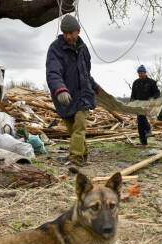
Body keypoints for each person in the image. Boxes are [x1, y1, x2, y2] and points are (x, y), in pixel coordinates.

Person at [46, 15, 99, 166]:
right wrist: (60, 89)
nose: (68, 36)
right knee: (73, 130)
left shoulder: (84, 49)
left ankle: (75, 159)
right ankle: (83, 155)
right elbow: (53, 72)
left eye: (71, 33)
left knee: (79, 128)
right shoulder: (55, 48)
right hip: (65, 97)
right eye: (65, 33)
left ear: (78, 31)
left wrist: (94, 86)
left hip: (83, 96)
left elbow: (85, 73)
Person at [130, 65, 160, 145]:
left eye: (142, 73)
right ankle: (143, 141)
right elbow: (133, 95)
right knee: (140, 123)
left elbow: (157, 93)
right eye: (139, 73)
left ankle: (148, 129)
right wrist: (131, 102)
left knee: (142, 119)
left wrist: (153, 98)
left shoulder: (151, 82)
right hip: (139, 105)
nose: (140, 74)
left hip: (148, 104)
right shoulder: (136, 83)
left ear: (145, 73)